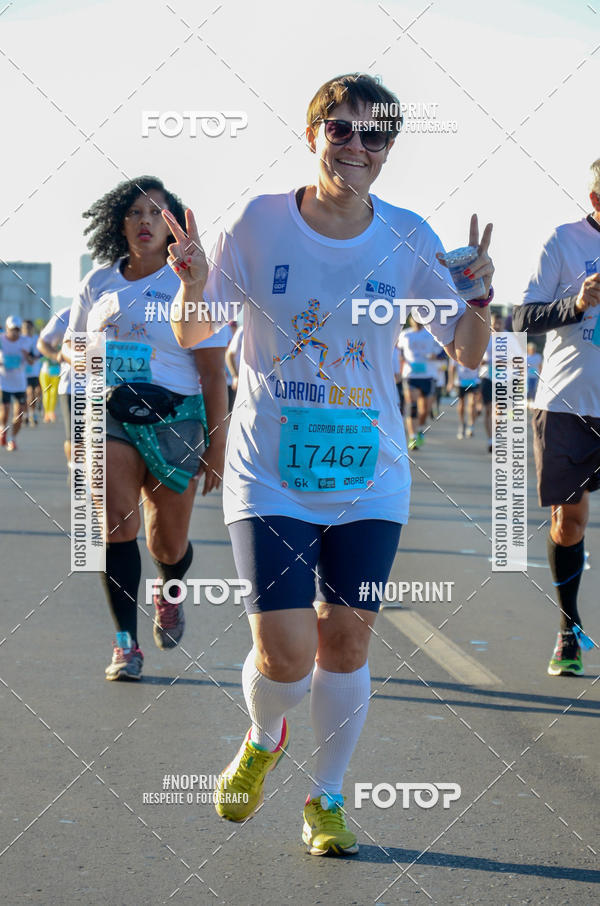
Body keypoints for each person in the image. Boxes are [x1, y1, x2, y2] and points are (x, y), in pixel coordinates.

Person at [167, 72, 493, 855]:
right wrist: (192, 284)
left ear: (387, 150)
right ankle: (263, 734)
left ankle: (327, 798)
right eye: (340, 129)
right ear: (312, 134)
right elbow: (193, 333)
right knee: (286, 653)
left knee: (346, 641)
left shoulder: (408, 235)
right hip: (270, 470)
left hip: (370, 474)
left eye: (372, 135)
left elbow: (469, 354)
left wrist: (479, 300)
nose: (356, 146)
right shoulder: (261, 222)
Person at [62, 176, 228, 681]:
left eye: (157, 213)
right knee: (116, 525)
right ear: (121, 223)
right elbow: (72, 347)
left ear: (173, 225)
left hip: (177, 416)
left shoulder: (196, 281)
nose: (145, 222)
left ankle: (169, 590)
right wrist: (82, 409)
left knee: (167, 545)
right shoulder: (98, 282)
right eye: (135, 212)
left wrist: (217, 449)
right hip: (111, 412)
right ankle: (125, 644)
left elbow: (213, 370)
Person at [513, 157, 600, 676]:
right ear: (595, 200)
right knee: (569, 523)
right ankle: (568, 630)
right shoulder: (564, 242)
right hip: (568, 403)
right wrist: (576, 302)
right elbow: (524, 316)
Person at [397, 315, 440, 449]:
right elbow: (399, 353)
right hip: (411, 375)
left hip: (428, 375)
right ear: (410, 320)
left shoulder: (431, 334)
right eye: (414, 318)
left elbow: (442, 352)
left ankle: (420, 428)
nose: (417, 321)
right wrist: (400, 367)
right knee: (412, 406)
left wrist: (435, 356)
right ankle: (412, 437)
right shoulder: (405, 335)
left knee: (425, 410)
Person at [38, 307, 72, 462]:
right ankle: (75, 472)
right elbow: (42, 342)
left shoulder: (112, 309)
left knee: (103, 440)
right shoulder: (66, 315)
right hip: (74, 386)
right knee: (75, 438)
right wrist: (55, 355)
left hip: (104, 387)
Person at [0, 315, 34, 451]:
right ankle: (3, 429)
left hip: (20, 383)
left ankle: (12, 439)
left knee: (19, 414)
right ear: (7, 329)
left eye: (18, 330)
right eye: (12, 329)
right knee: (5, 411)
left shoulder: (25, 342)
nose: (15, 332)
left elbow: (32, 362)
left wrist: (27, 356)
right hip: (3, 382)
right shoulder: (1, 339)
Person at [479, 312, 505, 452]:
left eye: (500, 323)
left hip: (503, 378)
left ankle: (496, 436)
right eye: (495, 323)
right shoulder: (485, 336)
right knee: (489, 410)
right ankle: (491, 440)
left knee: (500, 411)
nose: (497, 325)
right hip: (487, 377)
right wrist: (482, 361)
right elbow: (476, 356)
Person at [447, 359, 480, 438]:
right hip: (461, 382)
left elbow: (481, 363)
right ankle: (462, 424)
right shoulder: (457, 349)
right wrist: (450, 382)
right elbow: (452, 367)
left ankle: (471, 425)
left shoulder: (476, 347)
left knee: (472, 404)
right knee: (461, 404)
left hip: (474, 381)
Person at [22, 320, 42, 425]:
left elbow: (42, 352)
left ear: (32, 328)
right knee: (27, 394)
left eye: (29, 327)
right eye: (25, 327)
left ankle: (32, 414)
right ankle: (25, 414)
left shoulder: (36, 338)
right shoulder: (21, 339)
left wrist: (34, 358)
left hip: (34, 371)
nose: (27, 329)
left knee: (33, 393)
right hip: (23, 372)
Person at [224, 323, 244, 413]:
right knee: (231, 411)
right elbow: (229, 355)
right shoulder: (243, 331)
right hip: (233, 382)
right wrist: (235, 376)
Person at [526, 341, 543, 406]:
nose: (532, 350)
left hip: (536, 375)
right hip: (528, 375)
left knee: (534, 389)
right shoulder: (526, 357)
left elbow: (540, 365)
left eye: (533, 349)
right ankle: (527, 400)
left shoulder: (538, 356)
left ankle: (533, 401)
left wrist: (541, 374)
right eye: (531, 349)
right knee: (528, 388)